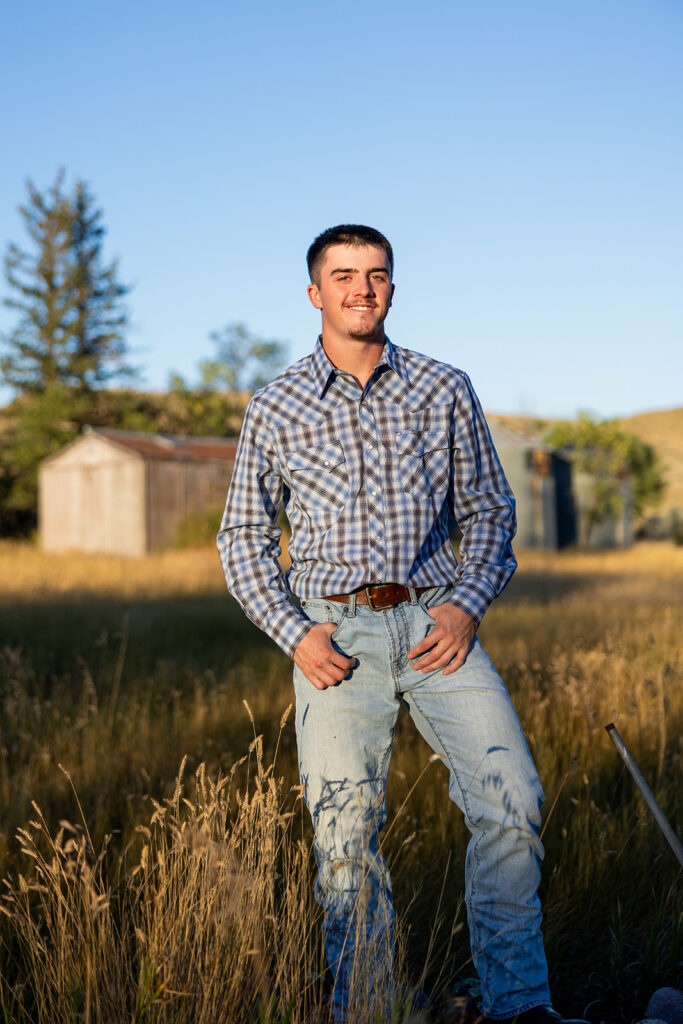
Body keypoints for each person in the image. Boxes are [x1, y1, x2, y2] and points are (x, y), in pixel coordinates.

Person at [217, 224, 587, 1024]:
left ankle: (517, 1006)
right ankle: (371, 1005)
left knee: (512, 801)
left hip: (435, 626)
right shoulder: (275, 405)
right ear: (314, 293)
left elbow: (489, 511)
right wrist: (296, 634)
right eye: (343, 275)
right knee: (346, 836)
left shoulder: (443, 387)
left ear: (392, 286)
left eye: (376, 274)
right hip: (331, 637)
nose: (362, 288)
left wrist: (464, 603)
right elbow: (242, 539)